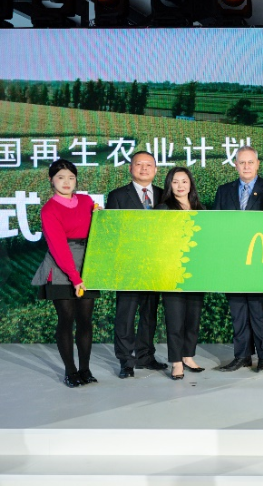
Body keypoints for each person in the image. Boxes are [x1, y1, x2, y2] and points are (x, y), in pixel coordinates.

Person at [32, 159, 100, 388]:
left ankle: (85, 369)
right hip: (61, 266)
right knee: (66, 319)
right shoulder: (49, 209)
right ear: (51, 180)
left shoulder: (87, 201)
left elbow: (99, 229)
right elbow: (59, 247)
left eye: (71, 177)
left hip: (86, 262)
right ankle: (70, 372)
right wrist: (75, 278)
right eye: (61, 177)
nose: (67, 182)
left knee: (85, 320)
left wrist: (100, 216)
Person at [213, 146, 263, 373]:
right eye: (242, 162)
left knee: (259, 311)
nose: (247, 166)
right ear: (235, 165)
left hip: (260, 260)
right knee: (238, 311)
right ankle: (242, 356)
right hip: (233, 261)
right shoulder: (224, 191)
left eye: (251, 162)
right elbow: (217, 226)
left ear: (258, 164)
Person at [105, 151, 167, 378]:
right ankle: (126, 361)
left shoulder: (164, 195)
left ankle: (145, 356)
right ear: (130, 168)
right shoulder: (117, 196)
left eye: (148, 165)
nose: (144, 168)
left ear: (156, 169)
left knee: (149, 313)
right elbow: (111, 231)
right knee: (126, 314)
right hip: (129, 265)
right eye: (139, 164)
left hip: (155, 264)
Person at [155, 167, 206, 380]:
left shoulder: (201, 209)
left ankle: (188, 355)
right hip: (173, 271)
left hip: (197, 271)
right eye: (175, 182)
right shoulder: (163, 208)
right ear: (169, 185)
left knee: (193, 317)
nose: (180, 186)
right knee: (175, 319)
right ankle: (176, 361)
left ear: (190, 184)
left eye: (184, 181)